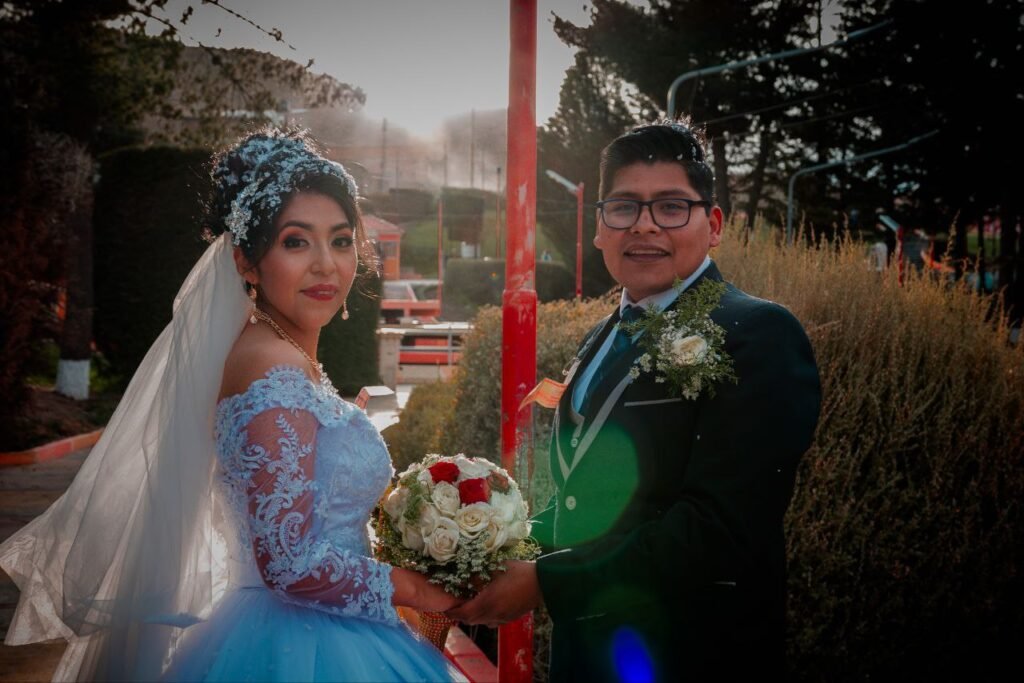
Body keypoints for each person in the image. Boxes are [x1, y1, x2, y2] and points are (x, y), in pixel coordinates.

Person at [0, 128, 464, 682]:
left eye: (340, 240)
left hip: (333, 627)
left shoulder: (280, 353)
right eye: (296, 241)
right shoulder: (272, 366)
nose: (326, 264)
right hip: (301, 648)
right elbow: (290, 564)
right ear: (246, 262)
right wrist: (415, 589)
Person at [448, 121, 822, 682]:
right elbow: (589, 502)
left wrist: (546, 582)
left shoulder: (758, 333)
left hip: (690, 656)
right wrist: (491, 547)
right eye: (623, 207)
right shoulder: (601, 336)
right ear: (600, 226)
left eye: (672, 206)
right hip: (587, 659)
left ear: (713, 224)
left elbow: (717, 531)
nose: (644, 225)